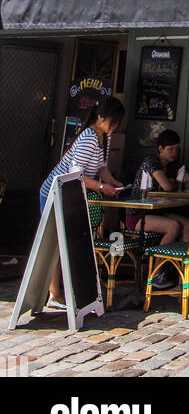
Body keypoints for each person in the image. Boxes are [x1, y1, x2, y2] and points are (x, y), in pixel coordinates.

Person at [38, 97, 126, 309]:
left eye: (117, 123)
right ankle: (55, 293)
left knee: (61, 243)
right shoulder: (89, 138)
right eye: (112, 122)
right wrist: (101, 187)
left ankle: (58, 292)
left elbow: (101, 168)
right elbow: (75, 174)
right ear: (100, 117)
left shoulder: (100, 138)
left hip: (69, 194)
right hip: (55, 192)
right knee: (55, 244)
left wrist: (113, 182)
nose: (114, 127)